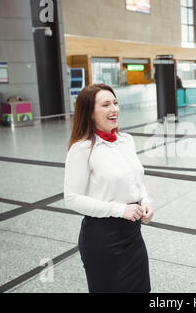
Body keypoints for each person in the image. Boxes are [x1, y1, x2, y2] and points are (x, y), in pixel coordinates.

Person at [64, 83, 154, 293]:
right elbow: (72, 198)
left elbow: (136, 181)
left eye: (115, 103)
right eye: (105, 105)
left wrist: (147, 201)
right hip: (102, 238)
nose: (114, 109)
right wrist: (120, 210)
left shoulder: (126, 140)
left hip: (132, 234)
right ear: (90, 113)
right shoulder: (82, 149)